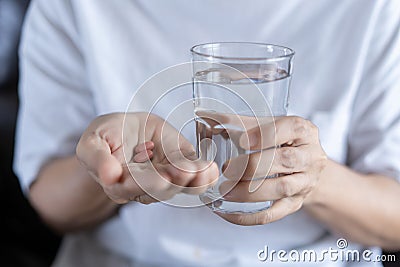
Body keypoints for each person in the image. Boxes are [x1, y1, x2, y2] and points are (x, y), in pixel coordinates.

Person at [15, 0, 400, 266]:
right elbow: (50, 203)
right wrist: (113, 173)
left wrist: (312, 179)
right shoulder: (72, 6)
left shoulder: (373, 9)